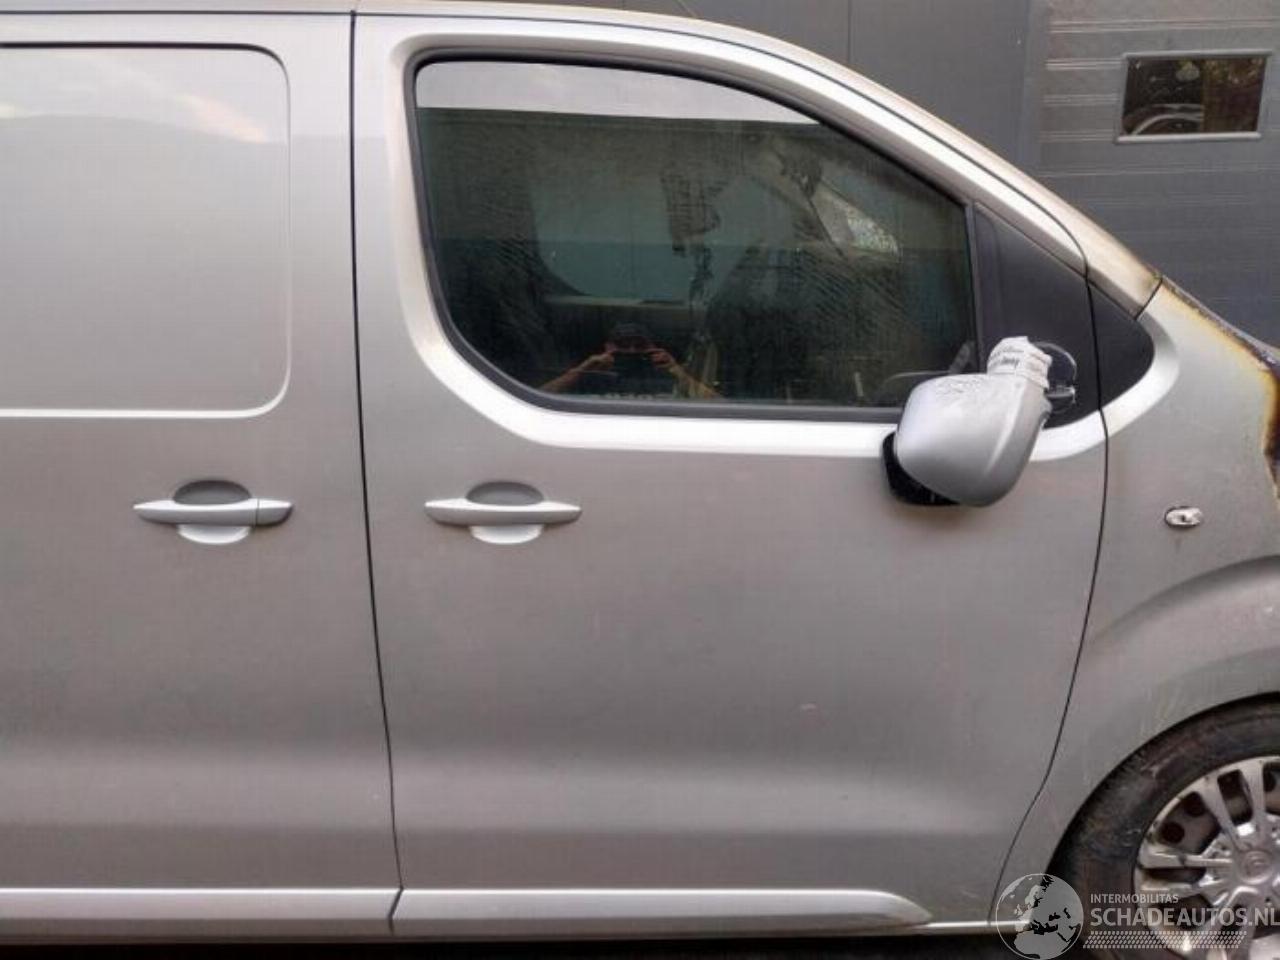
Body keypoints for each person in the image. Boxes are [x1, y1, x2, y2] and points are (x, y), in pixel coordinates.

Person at [541, 321, 719, 400]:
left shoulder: (669, 376)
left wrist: (679, 373)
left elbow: (719, 406)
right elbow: (539, 399)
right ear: (607, 348)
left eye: (640, 345)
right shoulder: (591, 376)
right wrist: (583, 369)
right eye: (623, 345)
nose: (631, 351)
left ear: (653, 348)